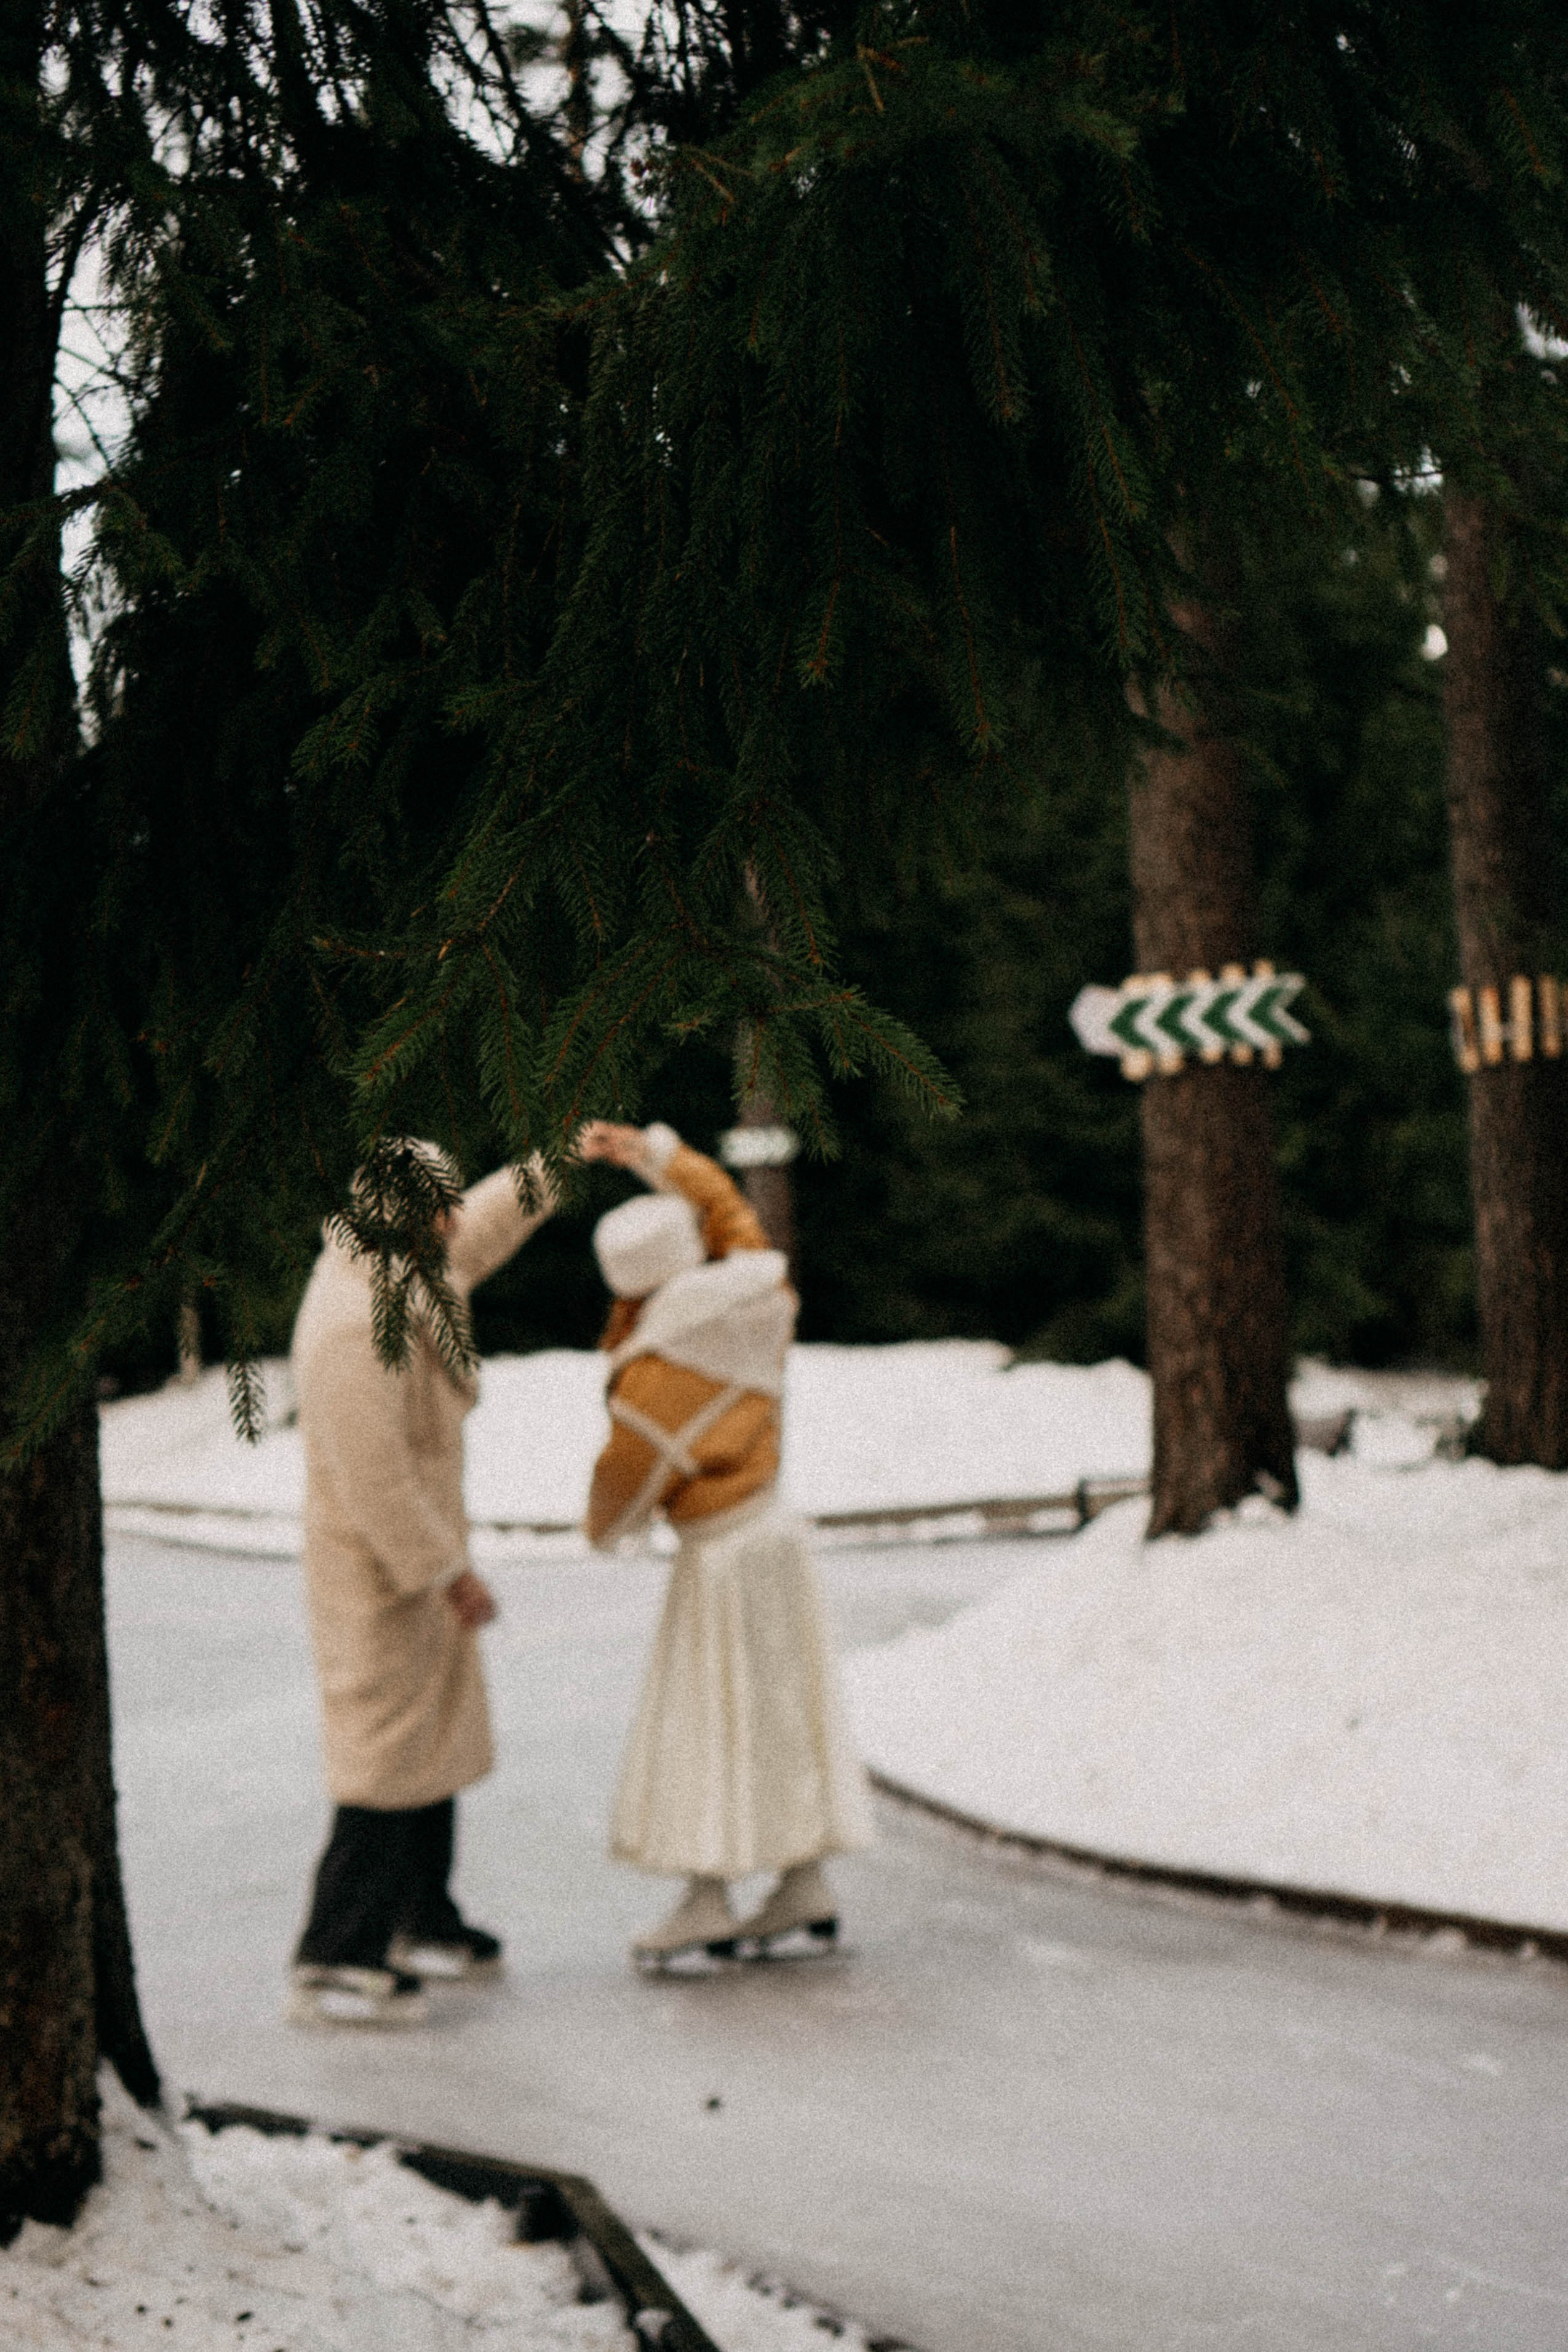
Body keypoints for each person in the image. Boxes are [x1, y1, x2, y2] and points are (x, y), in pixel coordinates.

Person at [579, 1118, 872, 1966]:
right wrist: (652, 1155)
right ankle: (801, 1876)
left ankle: (707, 1896)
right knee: (783, 1712)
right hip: (776, 1532)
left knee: (705, 1726)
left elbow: (621, 1493)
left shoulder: (652, 1372)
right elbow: (725, 1209)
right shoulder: (754, 1293)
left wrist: (603, 1530)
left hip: (716, 1560)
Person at [286, 1145, 555, 2027]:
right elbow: (375, 1480)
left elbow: (481, 1228)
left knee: (431, 1740)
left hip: (422, 1545)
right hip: (379, 1566)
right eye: (438, 1209)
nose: (453, 1222)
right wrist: (445, 1574)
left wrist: (556, 1159)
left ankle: (420, 1916)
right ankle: (336, 1946)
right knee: (383, 1750)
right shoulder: (351, 1323)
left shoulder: (409, 1264)